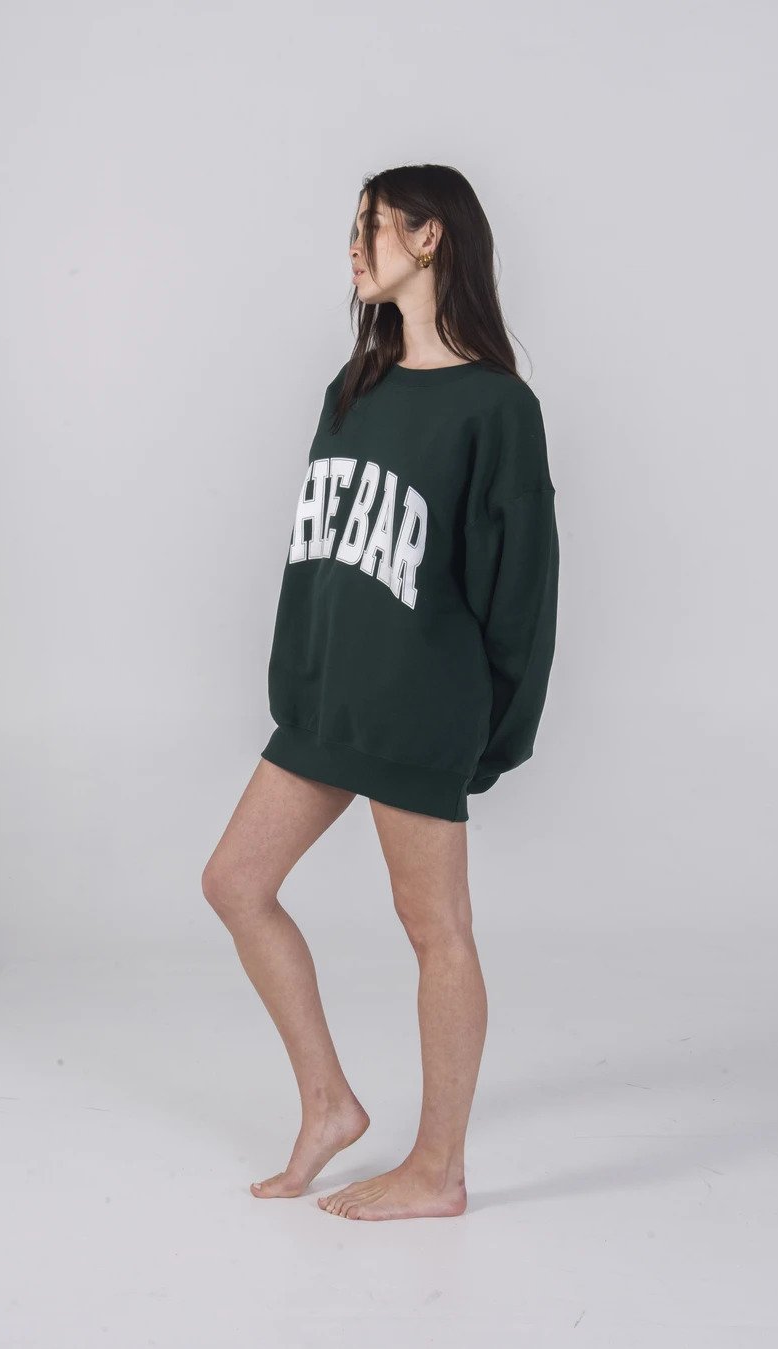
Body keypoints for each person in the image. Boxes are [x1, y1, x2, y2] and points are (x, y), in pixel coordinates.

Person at [201, 163, 560, 1221]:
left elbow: (523, 590)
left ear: (431, 236)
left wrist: (495, 735)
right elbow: (316, 555)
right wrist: (296, 683)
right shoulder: (354, 386)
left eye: (373, 227)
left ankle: (438, 1169)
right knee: (235, 882)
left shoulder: (497, 407)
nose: (354, 247)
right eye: (354, 228)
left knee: (434, 928)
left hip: (419, 708)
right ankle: (330, 1104)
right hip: (328, 705)